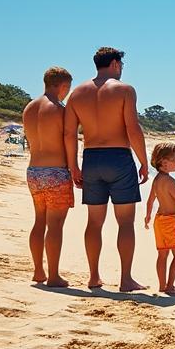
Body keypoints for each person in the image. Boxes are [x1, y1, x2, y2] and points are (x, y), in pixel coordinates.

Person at [64, 47, 150, 291]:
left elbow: (70, 133)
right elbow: (132, 128)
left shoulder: (77, 93)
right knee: (125, 222)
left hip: (91, 158)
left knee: (94, 222)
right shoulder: (124, 90)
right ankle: (125, 280)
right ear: (115, 64)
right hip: (119, 158)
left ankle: (93, 277)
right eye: (121, 65)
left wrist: (74, 166)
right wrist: (143, 161)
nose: (121, 70)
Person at [22, 66, 74, 287]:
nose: (67, 93)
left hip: (34, 171)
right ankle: (53, 275)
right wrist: (74, 168)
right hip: (55, 172)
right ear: (62, 86)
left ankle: (37, 271)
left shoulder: (29, 108)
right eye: (68, 89)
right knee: (55, 226)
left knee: (39, 221)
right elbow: (69, 140)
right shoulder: (60, 110)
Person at [144, 143, 175, 295]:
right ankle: (170, 285)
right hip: (172, 221)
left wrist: (148, 216)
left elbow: (150, 200)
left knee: (162, 254)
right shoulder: (170, 181)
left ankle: (162, 285)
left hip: (159, 220)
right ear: (164, 163)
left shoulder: (156, 180)